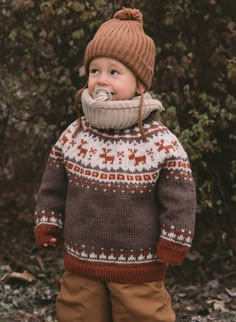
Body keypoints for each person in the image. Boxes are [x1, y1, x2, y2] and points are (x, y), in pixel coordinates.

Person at [34, 7, 196, 322]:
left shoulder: (158, 141)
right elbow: (53, 183)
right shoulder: (76, 132)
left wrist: (175, 238)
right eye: (95, 71)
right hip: (82, 258)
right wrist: (48, 219)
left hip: (139, 264)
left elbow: (180, 195)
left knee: (143, 314)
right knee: (78, 313)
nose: (101, 80)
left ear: (139, 84)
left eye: (114, 72)